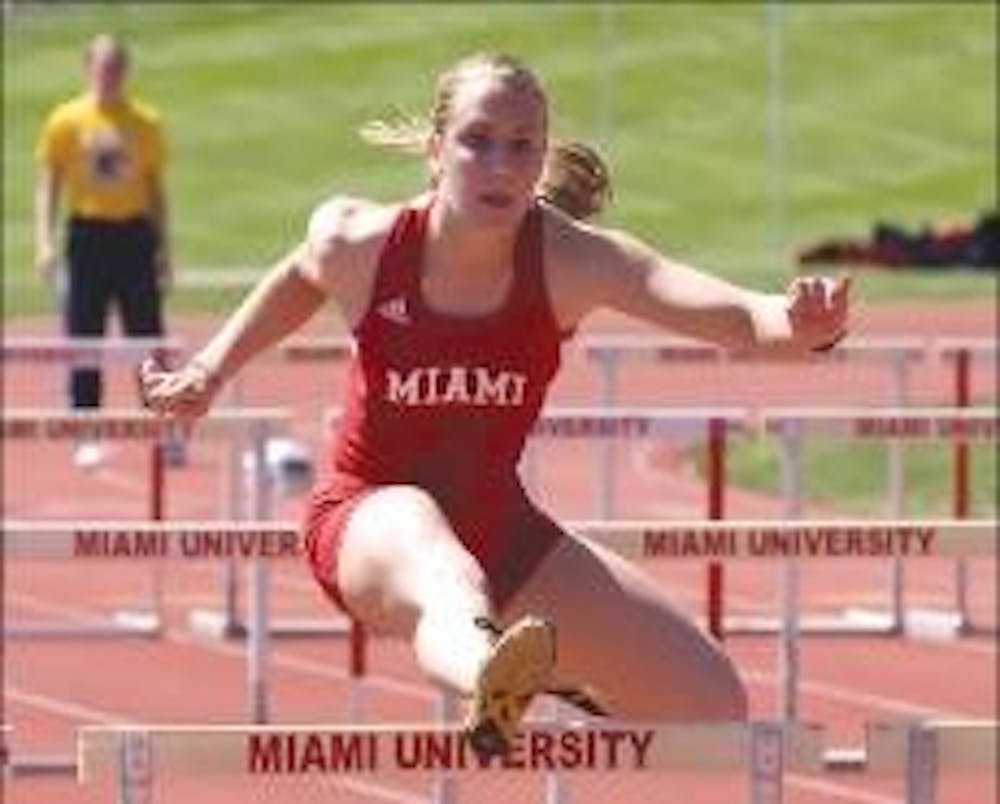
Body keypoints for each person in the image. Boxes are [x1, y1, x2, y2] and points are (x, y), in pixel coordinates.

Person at [139, 52, 849, 760]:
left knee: (708, 702)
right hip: (369, 517)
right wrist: (209, 367)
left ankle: (523, 668)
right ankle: (491, 680)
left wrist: (806, 325)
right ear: (435, 150)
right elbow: (301, 273)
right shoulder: (362, 242)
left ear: (541, 159)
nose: (502, 166)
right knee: (435, 555)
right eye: (478, 141)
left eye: (522, 147)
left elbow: (734, 317)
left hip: (499, 526)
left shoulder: (573, 261)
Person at [35, 33, 172, 469]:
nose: (109, 74)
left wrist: (164, 248)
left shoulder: (144, 120)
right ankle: (85, 429)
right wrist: (44, 239)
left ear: (125, 71)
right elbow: (48, 184)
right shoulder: (66, 120)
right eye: (102, 65)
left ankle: (163, 424)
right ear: (88, 67)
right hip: (87, 234)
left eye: (116, 66)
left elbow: (155, 188)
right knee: (85, 332)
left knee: (146, 331)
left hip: (133, 234)